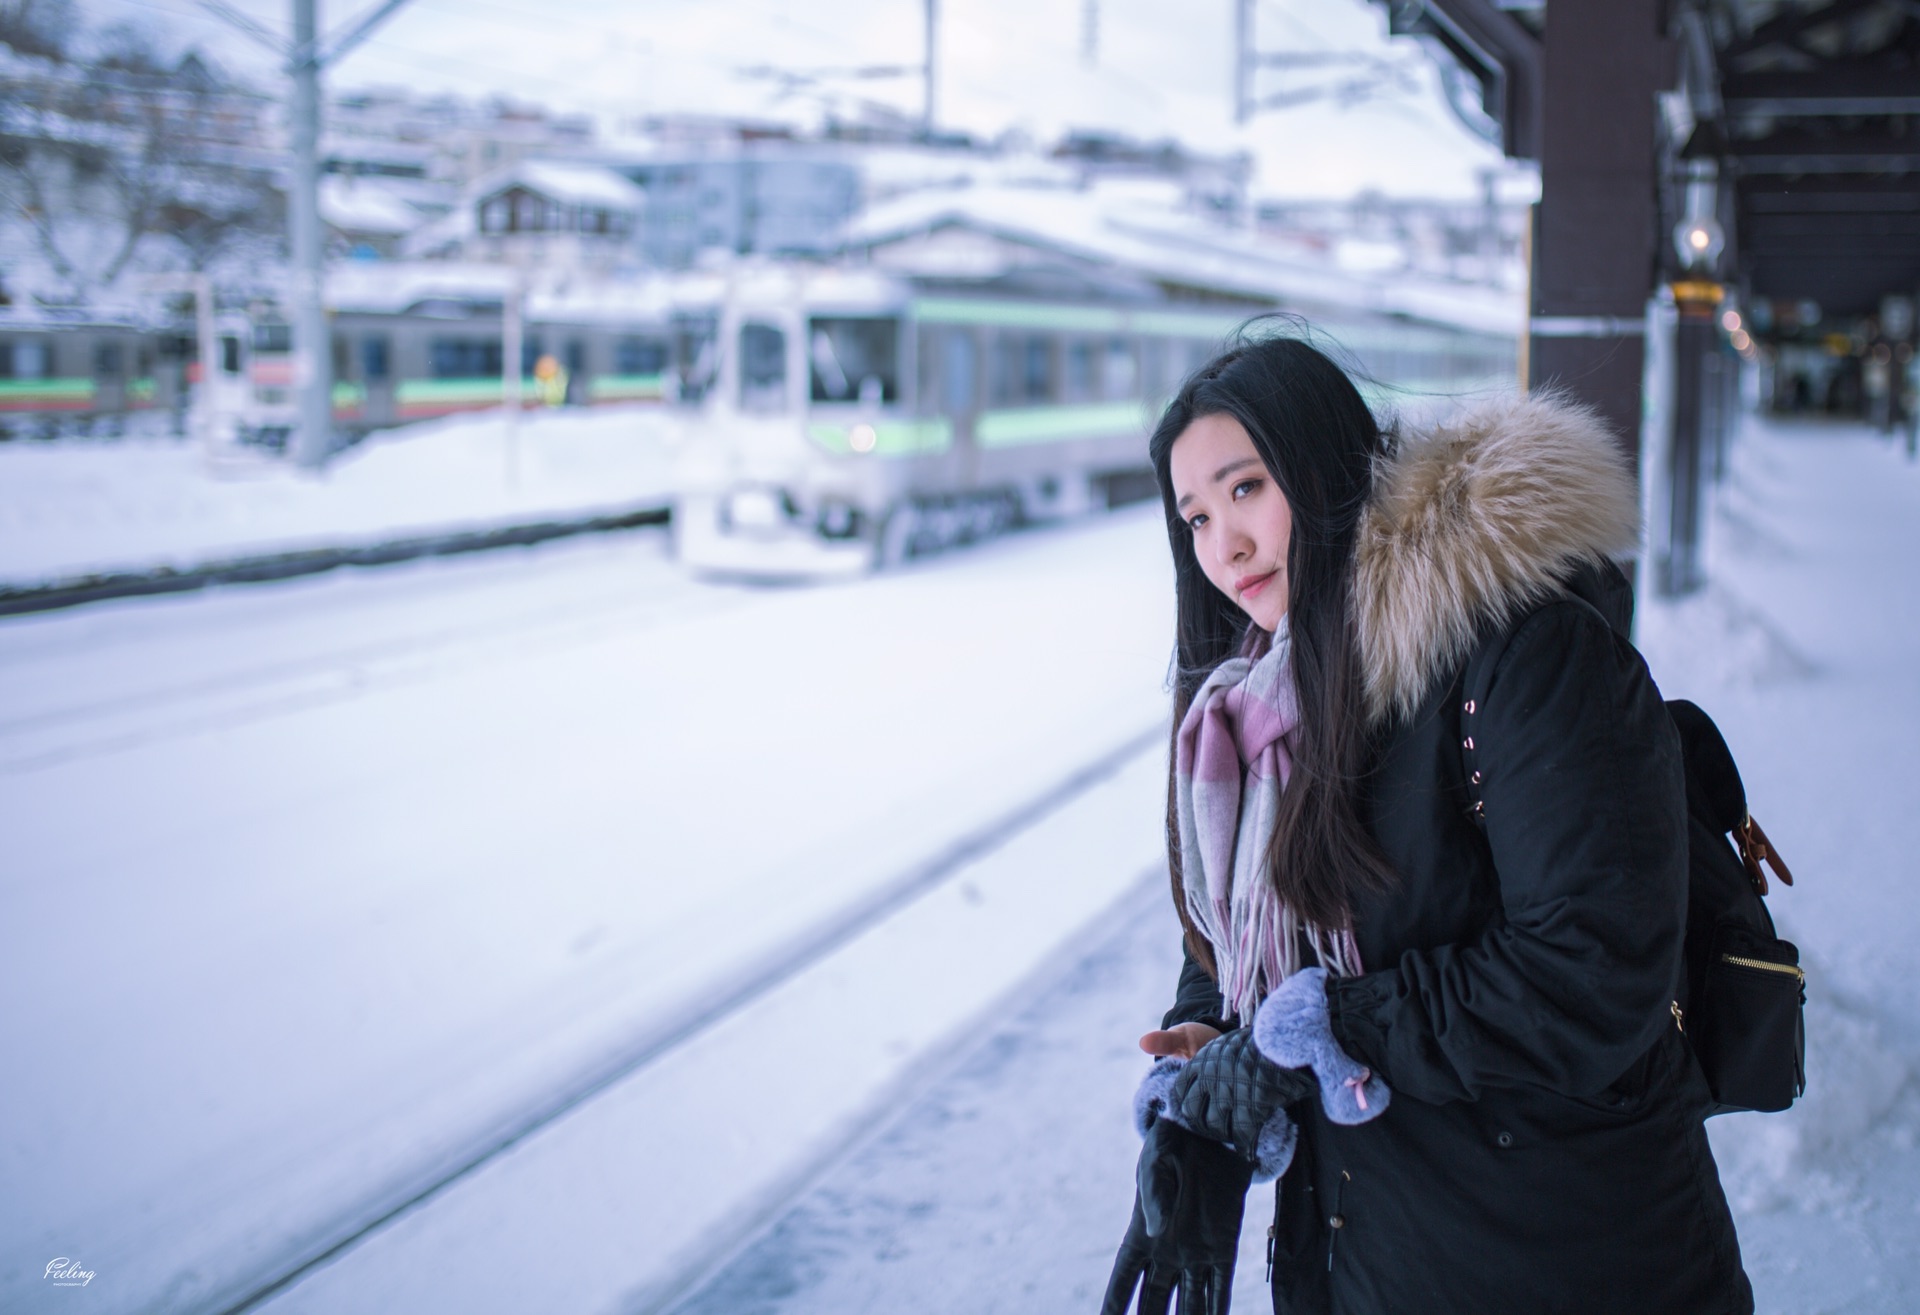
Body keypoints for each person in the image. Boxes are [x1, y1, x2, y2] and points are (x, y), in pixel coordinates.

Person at [1102, 332, 1751, 1315]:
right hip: (1364, 1262)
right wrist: (1214, 1039)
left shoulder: (1524, 657)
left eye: (1245, 490)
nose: (1221, 545)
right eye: (1193, 516)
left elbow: (1594, 969)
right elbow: (1268, 931)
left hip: (1568, 1261)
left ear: (1321, 467)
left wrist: (1324, 1029)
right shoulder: (1269, 702)